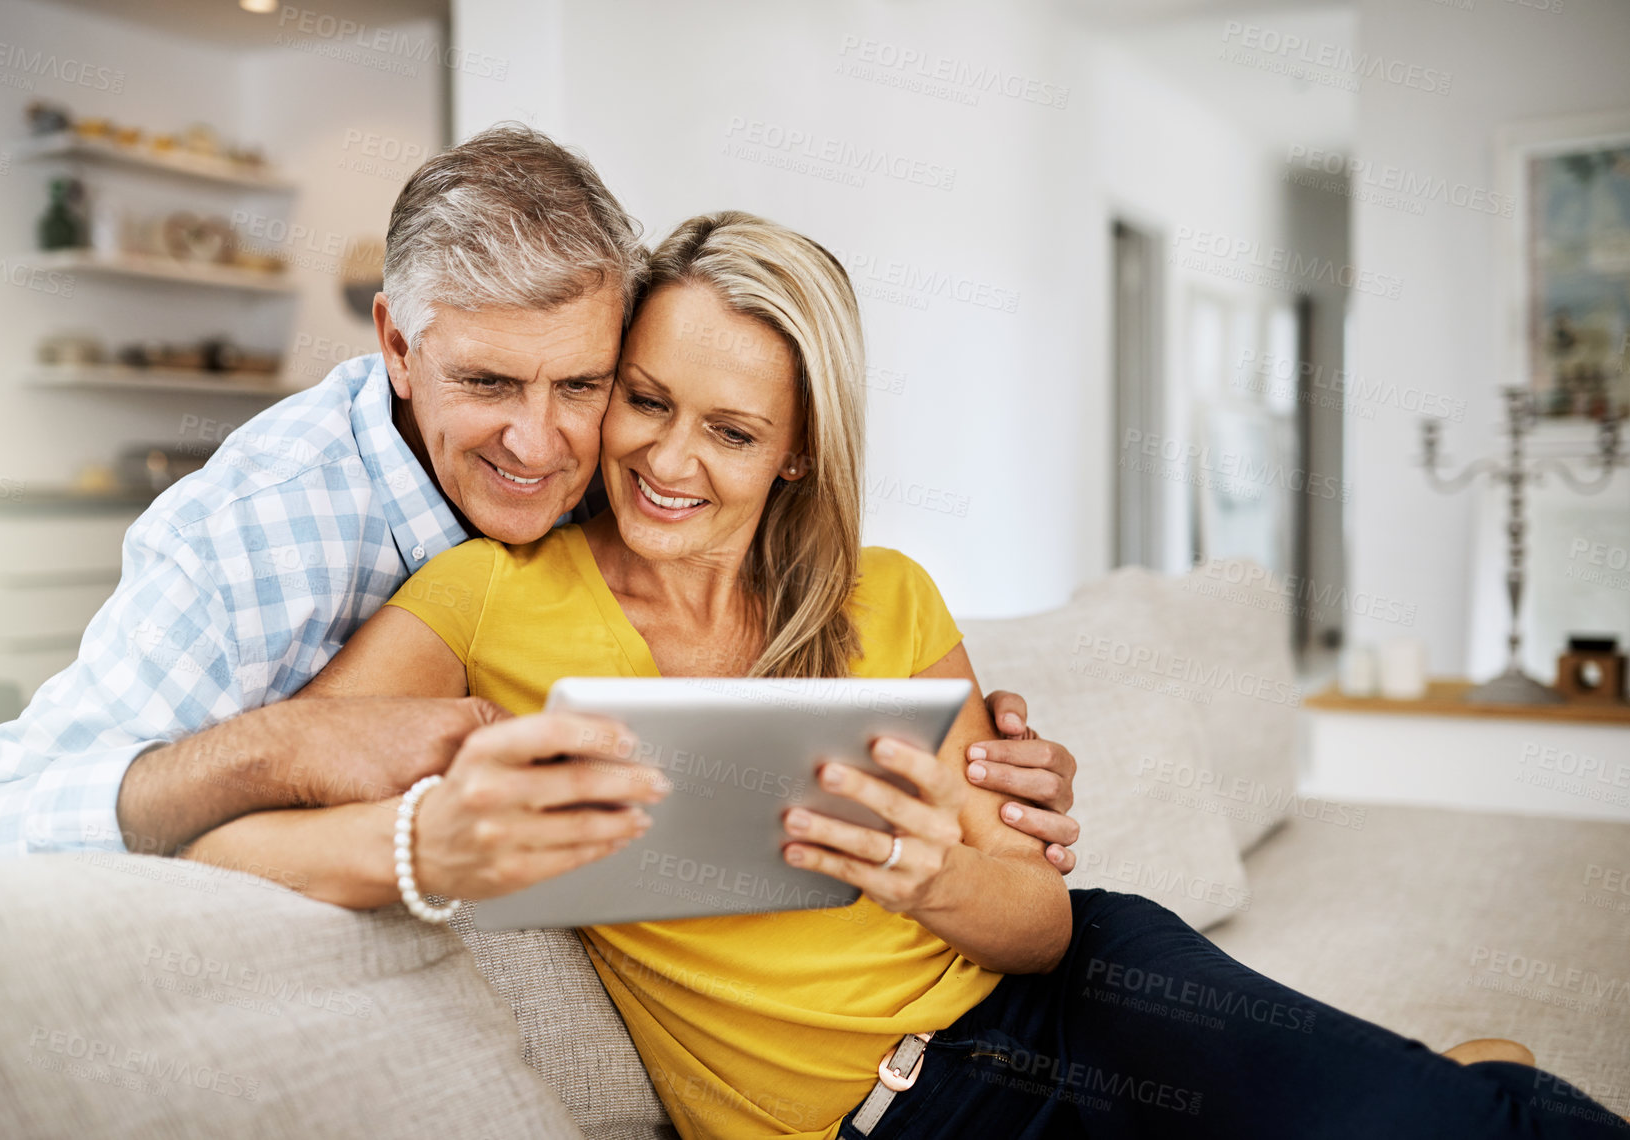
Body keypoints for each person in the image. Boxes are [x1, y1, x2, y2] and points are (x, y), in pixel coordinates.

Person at [186, 211, 1627, 1140]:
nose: (670, 460)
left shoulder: (888, 596)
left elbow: (1044, 923)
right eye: (647, 401)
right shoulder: (483, 596)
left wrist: (938, 875)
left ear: (798, 448)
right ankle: (1469, 1077)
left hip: (1091, 1002)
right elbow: (237, 823)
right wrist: (420, 843)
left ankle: (1464, 1092)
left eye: (733, 431)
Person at [0, 126, 1080, 886]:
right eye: (484, 384)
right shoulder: (253, 529)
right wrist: (286, 744)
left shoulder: (634, 476)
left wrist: (981, 759)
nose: (541, 445)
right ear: (396, 344)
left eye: (583, 385)